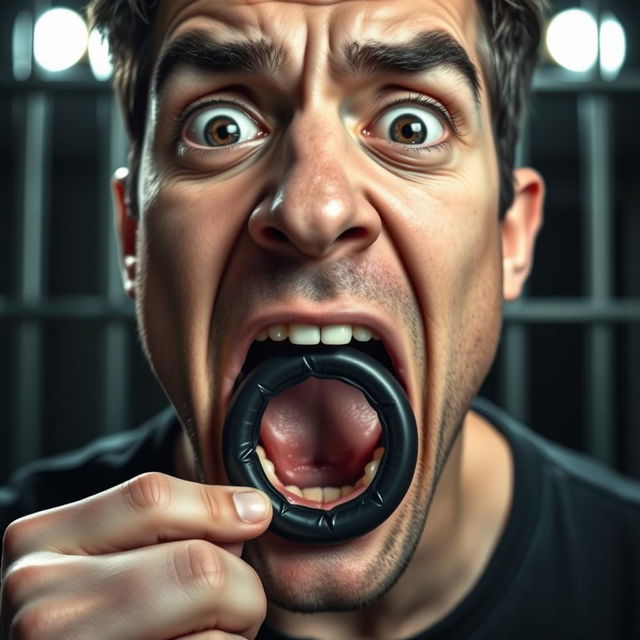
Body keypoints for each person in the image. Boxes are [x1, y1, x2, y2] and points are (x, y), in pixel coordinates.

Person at [1, 0, 640, 637]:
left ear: (511, 239)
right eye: (221, 127)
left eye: (411, 126)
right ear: (132, 237)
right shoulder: (19, 582)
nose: (315, 210)